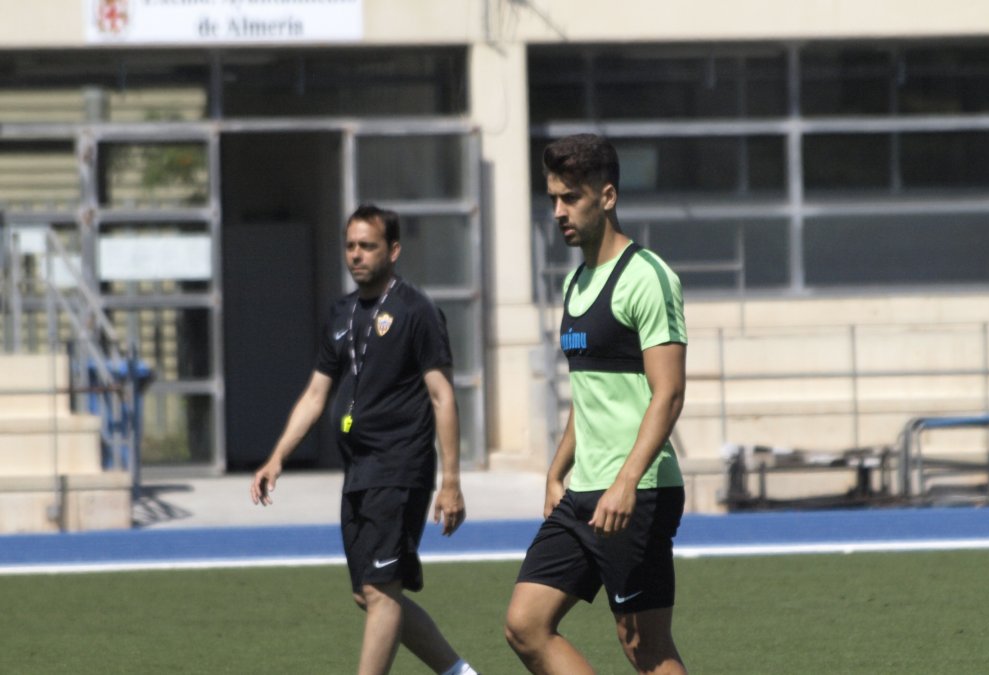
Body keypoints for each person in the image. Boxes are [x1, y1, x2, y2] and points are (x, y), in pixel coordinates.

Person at [250, 205, 479, 675]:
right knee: (368, 593)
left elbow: (442, 397)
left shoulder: (416, 311)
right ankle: (460, 673)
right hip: (358, 471)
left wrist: (452, 482)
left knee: (381, 589)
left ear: (392, 251)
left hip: (400, 466)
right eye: (351, 246)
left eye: (368, 246)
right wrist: (276, 458)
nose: (356, 255)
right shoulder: (342, 312)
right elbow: (315, 394)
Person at [505, 134, 689, 675]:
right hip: (583, 492)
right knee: (525, 624)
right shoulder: (575, 282)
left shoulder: (648, 276)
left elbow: (669, 393)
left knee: (642, 645)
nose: (558, 212)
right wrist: (555, 471)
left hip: (638, 491)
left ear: (607, 196)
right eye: (553, 199)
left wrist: (626, 482)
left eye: (571, 198)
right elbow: (589, 393)